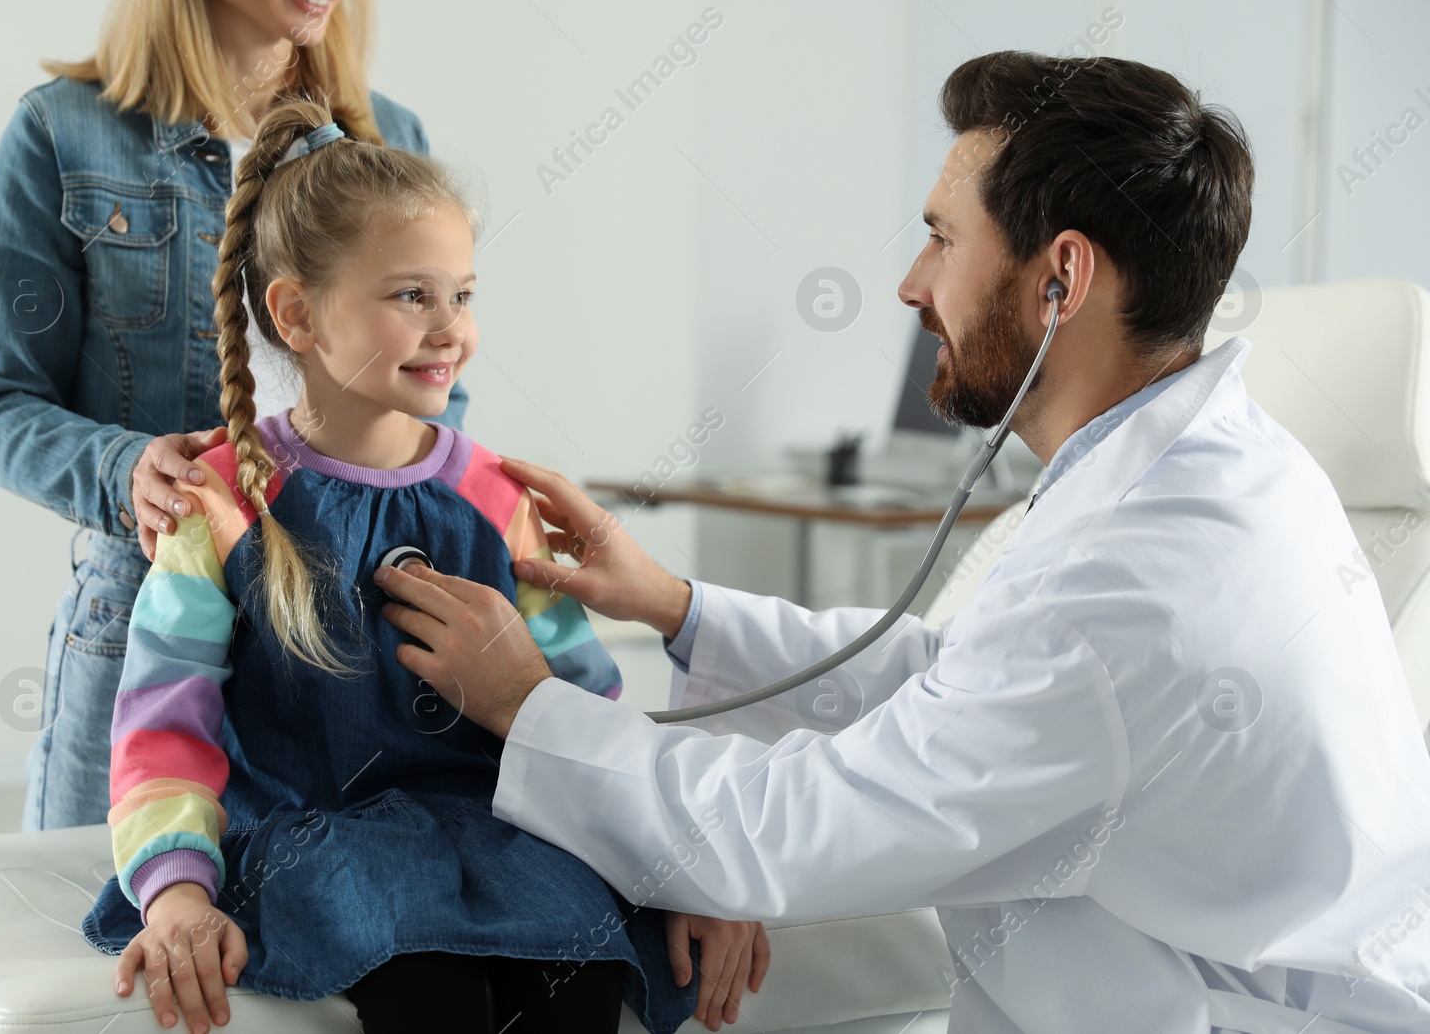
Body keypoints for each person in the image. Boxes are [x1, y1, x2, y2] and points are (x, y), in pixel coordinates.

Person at [377, 51, 1430, 1032]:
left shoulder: (1127, 584)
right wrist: (675, 604)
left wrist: (524, 702)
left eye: (941, 237)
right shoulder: (1211, 464)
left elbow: (790, 830)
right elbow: (961, 682)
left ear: (1059, 279)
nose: (911, 284)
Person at [79, 93, 769, 1034]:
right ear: (298, 315)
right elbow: (163, 727)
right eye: (413, 295)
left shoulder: (500, 499)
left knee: (578, 973)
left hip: (499, 831)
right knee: (425, 981)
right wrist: (175, 895)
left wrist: (684, 861)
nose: (451, 327)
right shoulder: (223, 504)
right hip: (316, 838)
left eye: (463, 294)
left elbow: (584, 708)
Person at [0, 0, 468, 833]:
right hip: (142, 612)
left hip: (339, 623)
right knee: (104, 936)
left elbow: (434, 396)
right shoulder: (60, 132)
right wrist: (128, 470)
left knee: (307, 944)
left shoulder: (387, 137)